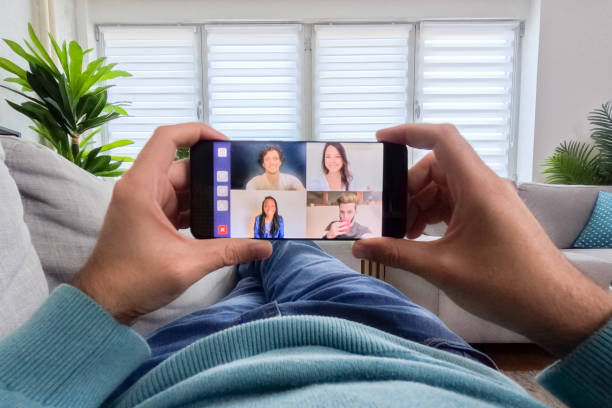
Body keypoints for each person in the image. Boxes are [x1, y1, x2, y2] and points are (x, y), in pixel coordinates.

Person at [1, 122, 611, 408]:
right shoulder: (293, 182)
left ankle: (263, 254)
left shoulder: (320, 182)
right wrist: (572, 315)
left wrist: (107, 295)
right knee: (303, 257)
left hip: (192, 356)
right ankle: (273, 249)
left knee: (274, 254)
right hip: (396, 339)